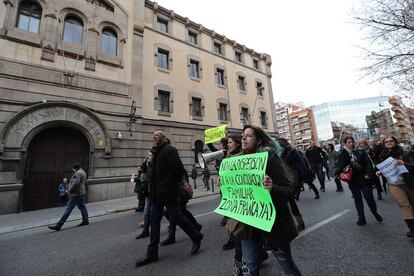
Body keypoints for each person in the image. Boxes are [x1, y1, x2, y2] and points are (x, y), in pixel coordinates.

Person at [230, 125, 301, 276]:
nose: (243, 138)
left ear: (259, 140)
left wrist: (272, 188)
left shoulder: (269, 158)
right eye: (243, 135)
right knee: (249, 266)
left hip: (273, 225)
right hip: (248, 225)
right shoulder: (235, 162)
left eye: (249, 136)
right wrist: (226, 184)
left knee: (286, 265)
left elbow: (289, 190)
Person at [135, 130, 203, 267]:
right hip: (155, 194)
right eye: (153, 134)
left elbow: (179, 170)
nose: (154, 136)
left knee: (176, 216)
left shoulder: (170, 150)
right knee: (154, 220)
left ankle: (196, 236)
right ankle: (152, 252)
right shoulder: (155, 152)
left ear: (164, 137)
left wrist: (169, 186)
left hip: (167, 192)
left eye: (157, 134)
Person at [336, 136, 383, 226]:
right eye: (349, 142)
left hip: (364, 179)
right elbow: (339, 166)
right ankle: (361, 217)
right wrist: (339, 174)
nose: (351, 144)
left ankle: (374, 212)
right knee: (357, 199)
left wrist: (369, 174)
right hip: (353, 181)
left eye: (352, 142)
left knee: (369, 197)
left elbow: (369, 163)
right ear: (345, 144)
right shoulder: (342, 153)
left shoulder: (360, 151)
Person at [376, 136, 414, 238]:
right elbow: (384, 168)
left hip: (409, 182)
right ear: (384, 144)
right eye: (386, 142)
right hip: (394, 184)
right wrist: (380, 172)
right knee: (403, 205)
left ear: (395, 142)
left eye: (391, 141)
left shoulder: (405, 152)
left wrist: (404, 163)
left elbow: (412, 165)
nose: (389, 143)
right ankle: (412, 229)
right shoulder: (382, 155)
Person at [159, 169, 202, 246]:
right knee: (181, 212)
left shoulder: (175, 166)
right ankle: (196, 226)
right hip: (176, 194)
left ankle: (172, 235)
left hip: (180, 194)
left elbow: (182, 181)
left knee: (175, 214)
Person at [277, 137, 306, 231]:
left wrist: (302, 179)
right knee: (287, 202)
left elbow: (301, 165)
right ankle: (294, 223)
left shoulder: (292, 152)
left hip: (292, 180)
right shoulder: (277, 154)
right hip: (282, 181)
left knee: (291, 202)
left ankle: (299, 222)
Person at [48, 163, 89, 231]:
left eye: (73, 169)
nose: (73, 170)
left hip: (76, 194)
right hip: (81, 193)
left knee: (68, 209)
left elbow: (75, 183)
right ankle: (85, 220)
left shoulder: (77, 173)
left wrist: (69, 190)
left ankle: (59, 225)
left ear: (75, 168)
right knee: (82, 206)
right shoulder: (83, 172)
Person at [136, 151, 153, 239]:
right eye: (148, 156)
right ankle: (146, 231)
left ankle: (173, 225)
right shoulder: (148, 166)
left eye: (150, 155)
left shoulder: (155, 165)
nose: (149, 157)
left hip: (154, 194)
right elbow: (143, 172)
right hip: (148, 193)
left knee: (163, 211)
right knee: (146, 211)